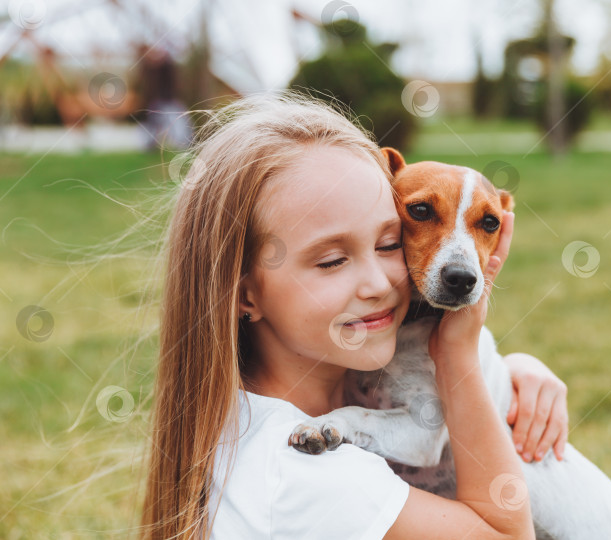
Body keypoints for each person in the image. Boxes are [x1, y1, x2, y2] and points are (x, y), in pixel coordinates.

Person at [139, 91, 568, 540]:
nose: (380, 284)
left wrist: (509, 371)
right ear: (244, 295)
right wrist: (459, 355)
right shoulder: (311, 472)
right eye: (330, 261)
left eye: (388, 245)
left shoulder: (245, 416)